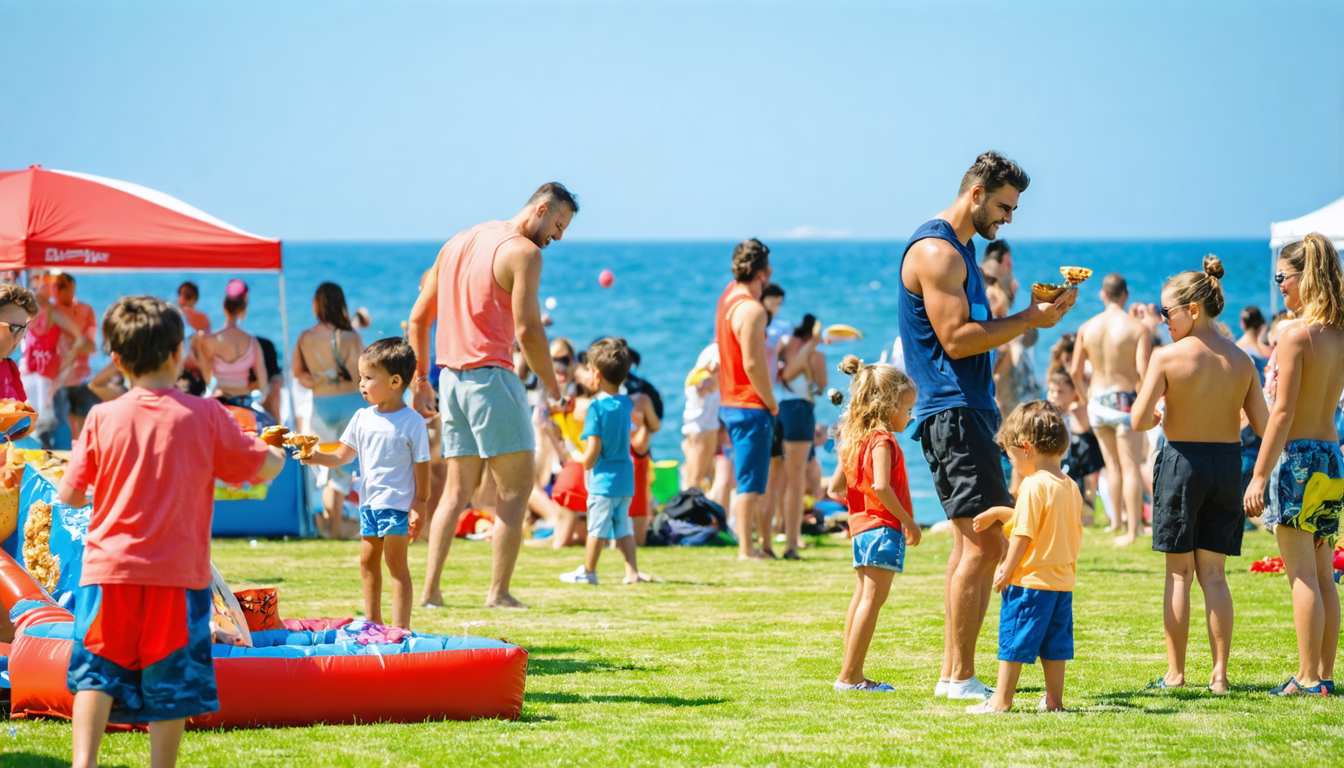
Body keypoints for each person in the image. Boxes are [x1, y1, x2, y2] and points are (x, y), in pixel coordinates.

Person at [57, 296, 285, 768]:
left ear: (116, 360)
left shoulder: (102, 417)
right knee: (172, 679)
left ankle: (84, 762)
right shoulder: (205, 416)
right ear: (179, 353)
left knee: (95, 673)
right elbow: (259, 467)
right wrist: (277, 453)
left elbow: (70, 496)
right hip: (177, 575)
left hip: (108, 572)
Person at [898, 151, 1074, 700]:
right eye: (1003, 205)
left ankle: (955, 674)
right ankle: (961, 677)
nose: (1009, 219)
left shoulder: (965, 252)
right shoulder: (938, 252)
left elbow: (970, 332)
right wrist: (1028, 320)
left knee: (970, 545)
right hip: (952, 409)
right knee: (985, 546)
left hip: (965, 407)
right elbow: (956, 338)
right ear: (975, 194)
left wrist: (1032, 315)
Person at [409, 182, 575, 609]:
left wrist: (419, 381)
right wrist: (553, 387)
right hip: (491, 379)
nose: (557, 237)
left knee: (456, 491)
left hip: (450, 380)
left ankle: (430, 592)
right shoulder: (524, 252)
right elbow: (528, 331)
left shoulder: (458, 242)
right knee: (516, 490)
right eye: (557, 225)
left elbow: (417, 319)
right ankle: (498, 592)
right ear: (540, 209)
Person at [1132, 255, 1267, 694]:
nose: (1162, 319)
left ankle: (1176, 673)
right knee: (1215, 575)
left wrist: (1156, 416)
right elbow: (1263, 427)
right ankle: (1221, 675)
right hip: (1228, 465)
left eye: (1166, 311)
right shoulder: (1243, 360)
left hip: (1181, 464)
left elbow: (1137, 419)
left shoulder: (1167, 357)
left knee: (1178, 575)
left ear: (1193, 309)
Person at [1244, 234, 1344, 696]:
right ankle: (1322, 674)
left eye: (1283, 277)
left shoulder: (1294, 334)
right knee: (1324, 574)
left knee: (1302, 574)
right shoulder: (1339, 332)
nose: (1278, 285)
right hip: (1330, 456)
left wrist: (1259, 474)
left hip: (1299, 459)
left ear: (1306, 276)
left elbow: (1281, 414)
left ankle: (1306, 679)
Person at [302, 338, 430, 629]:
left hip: (397, 505)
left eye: (368, 378)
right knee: (367, 561)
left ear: (396, 381)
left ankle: (401, 629)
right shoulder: (361, 418)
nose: (361, 384)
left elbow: (422, 466)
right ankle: (374, 621)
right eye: (360, 377)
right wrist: (316, 456)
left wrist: (420, 502)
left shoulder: (412, 422)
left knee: (396, 565)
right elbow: (342, 456)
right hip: (369, 504)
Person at [966, 401, 1084, 713]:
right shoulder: (1069, 486)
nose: (1011, 461)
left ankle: (1001, 701)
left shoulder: (1033, 485)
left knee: (1014, 641)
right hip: (1061, 581)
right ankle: (1055, 702)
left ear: (1026, 447)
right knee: (1055, 646)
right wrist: (997, 512)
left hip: (1030, 581)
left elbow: (1025, 533)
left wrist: (1007, 566)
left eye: (1010, 454)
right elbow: (1039, 522)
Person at [828, 356, 920, 692]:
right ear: (888, 406)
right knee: (872, 600)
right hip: (883, 528)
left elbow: (834, 487)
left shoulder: (854, 438)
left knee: (861, 597)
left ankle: (848, 671)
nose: (910, 418)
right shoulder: (881, 440)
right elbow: (882, 486)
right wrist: (908, 522)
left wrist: (860, 498)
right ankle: (851, 676)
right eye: (907, 410)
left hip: (861, 528)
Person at [558, 338, 653, 585]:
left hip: (603, 481)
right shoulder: (625, 404)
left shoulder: (596, 408)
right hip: (625, 480)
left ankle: (589, 571)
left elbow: (594, 449)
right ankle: (631, 572)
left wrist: (582, 461)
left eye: (588, 369)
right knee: (624, 527)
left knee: (596, 529)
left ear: (596, 375)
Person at [1071, 273, 1153, 545]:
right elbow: (1143, 372)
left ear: (1102, 295)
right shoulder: (1137, 328)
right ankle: (1133, 530)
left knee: (1111, 466)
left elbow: (1074, 370)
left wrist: (1085, 397)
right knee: (1130, 466)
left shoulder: (1087, 327)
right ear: (1125, 295)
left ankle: (1116, 522)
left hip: (1098, 400)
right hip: (1126, 400)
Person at [715, 238, 780, 562]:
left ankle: (751, 545)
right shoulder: (752, 310)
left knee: (747, 479)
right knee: (750, 484)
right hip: (749, 404)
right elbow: (753, 364)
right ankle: (746, 550)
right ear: (763, 273)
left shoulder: (728, 295)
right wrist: (771, 402)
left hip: (730, 402)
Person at [293, 282, 365, 539]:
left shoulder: (305, 337)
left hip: (320, 404)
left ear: (317, 304)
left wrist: (319, 380)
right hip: (350, 402)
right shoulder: (351, 336)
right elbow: (362, 374)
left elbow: (298, 374)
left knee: (326, 467)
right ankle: (336, 529)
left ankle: (330, 527)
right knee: (343, 468)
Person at [774, 313, 827, 559]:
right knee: (795, 482)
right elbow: (821, 385)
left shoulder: (783, 347)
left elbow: (784, 376)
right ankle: (791, 542)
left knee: (778, 478)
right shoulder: (813, 352)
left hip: (777, 410)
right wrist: (812, 347)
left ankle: (776, 532)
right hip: (799, 410)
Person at [28, 272, 98, 449]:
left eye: (61, 286)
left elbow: (89, 345)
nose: (56, 289)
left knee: (79, 426)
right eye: (54, 285)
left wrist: (74, 351)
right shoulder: (50, 309)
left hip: (77, 377)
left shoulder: (83, 310)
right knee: (50, 426)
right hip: (54, 377)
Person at [195, 279, 270, 410]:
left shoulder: (209, 340)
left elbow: (207, 379)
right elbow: (263, 388)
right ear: (244, 308)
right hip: (245, 404)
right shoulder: (253, 342)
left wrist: (199, 349)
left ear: (224, 306)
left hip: (220, 403)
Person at [1046, 370, 1103, 512]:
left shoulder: (1076, 413)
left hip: (1073, 462)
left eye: (1060, 392)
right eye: (1051, 391)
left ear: (1074, 394)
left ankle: (1088, 503)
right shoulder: (1045, 415)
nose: (1054, 396)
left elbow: (1082, 426)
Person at [680, 342, 721, 492]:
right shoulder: (716, 351)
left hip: (707, 421)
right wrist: (712, 382)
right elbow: (700, 386)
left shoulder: (712, 350)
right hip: (701, 422)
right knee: (695, 478)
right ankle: (689, 509)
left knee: (700, 474)